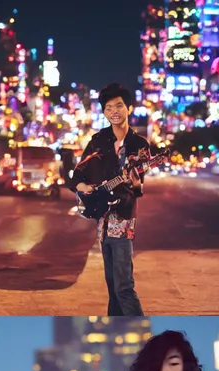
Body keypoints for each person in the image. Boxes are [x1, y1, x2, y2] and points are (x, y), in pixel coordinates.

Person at [68, 83, 155, 316]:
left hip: (124, 219)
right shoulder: (98, 141)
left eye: (119, 106)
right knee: (111, 286)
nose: (114, 111)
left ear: (129, 108)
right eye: (108, 108)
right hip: (102, 220)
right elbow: (77, 175)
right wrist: (83, 186)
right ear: (104, 112)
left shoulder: (140, 145)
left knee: (124, 286)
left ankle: (141, 333)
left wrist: (133, 181)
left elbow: (137, 188)